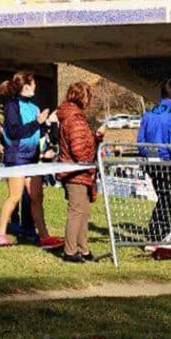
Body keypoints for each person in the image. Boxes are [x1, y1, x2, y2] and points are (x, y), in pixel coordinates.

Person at [0, 72, 61, 248]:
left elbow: (36, 133)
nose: (36, 87)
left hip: (32, 157)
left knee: (37, 196)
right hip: (16, 157)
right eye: (33, 84)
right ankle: (0, 232)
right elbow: (15, 132)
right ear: (26, 86)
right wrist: (37, 122)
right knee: (15, 196)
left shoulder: (34, 107)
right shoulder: (11, 105)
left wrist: (48, 123)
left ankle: (44, 236)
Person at [55, 81, 104, 262]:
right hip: (76, 173)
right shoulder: (74, 119)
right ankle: (69, 251)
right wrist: (90, 160)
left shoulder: (73, 117)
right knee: (76, 211)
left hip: (80, 173)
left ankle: (83, 249)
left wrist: (96, 138)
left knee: (84, 211)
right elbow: (79, 149)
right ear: (83, 97)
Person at [136, 79, 171, 238]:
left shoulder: (148, 115)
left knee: (164, 197)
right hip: (166, 162)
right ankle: (157, 232)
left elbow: (140, 142)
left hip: (150, 161)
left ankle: (161, 231)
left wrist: (147, 155)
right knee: (168, 199)